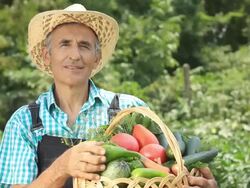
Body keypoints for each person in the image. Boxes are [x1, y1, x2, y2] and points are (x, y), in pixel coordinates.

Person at [0, 3, 217, 188]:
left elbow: (169, 167)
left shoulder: (128, 109)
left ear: (96, 57)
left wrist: (192, 180)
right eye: (64, 44)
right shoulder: (24, 122)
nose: (75, 55)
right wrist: (62, 167)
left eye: (84, 46)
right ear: (47, 55)